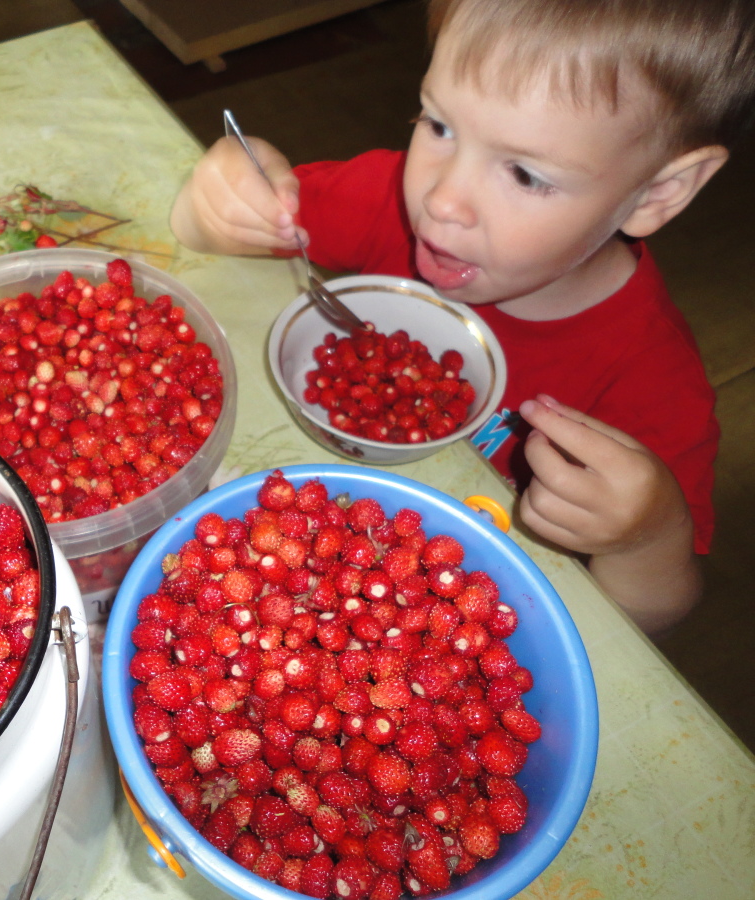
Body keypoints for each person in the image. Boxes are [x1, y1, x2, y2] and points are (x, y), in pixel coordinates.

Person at [170, 0, 755, 636]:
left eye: (525, 174)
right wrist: (218, 203)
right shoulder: (385, 198)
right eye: (439, 125)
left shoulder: (651, 379)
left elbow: (652, 621)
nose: (442, 199)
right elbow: (209, 233)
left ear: (658, 192)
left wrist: (645, 540)